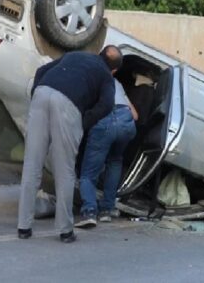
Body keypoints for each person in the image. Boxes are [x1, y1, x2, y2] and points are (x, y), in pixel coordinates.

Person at [17, 46, 123, 243]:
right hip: (68, 105)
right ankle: (65, 230)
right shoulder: (106, 77)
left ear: (99, 53)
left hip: (42, 93)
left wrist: (36, 97)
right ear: (114, 70)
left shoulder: (76, 54)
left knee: (32, 165)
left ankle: (24, 226)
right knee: (64, 170)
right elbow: (107, 104)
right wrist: (83, 122)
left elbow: (41, 71)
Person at [75, 73, 138, 228]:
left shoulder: (88, 80)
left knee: (88, 174)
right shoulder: (116, 82)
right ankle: (107, 210)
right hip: (126, 121)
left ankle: (89, 211)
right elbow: (135, 116)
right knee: (115, 161)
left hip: (104, 121)